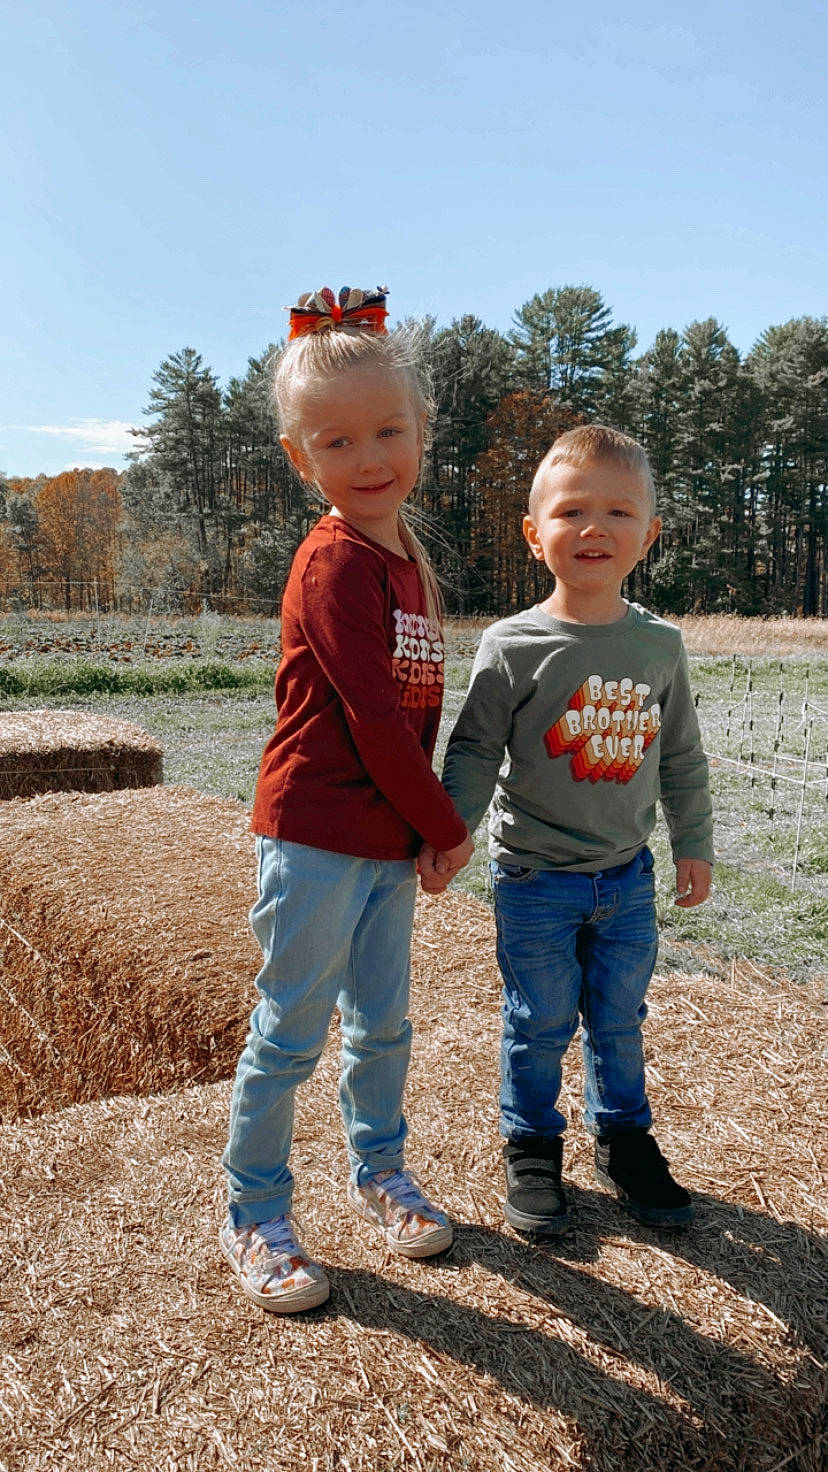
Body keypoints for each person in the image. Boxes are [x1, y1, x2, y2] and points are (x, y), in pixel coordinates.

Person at [221, 285, 473, 1313]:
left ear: (420, 430)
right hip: (318, 835)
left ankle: (379, 1167)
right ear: (300, 458)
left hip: (382, 842)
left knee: (384, 1024)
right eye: (338, 441)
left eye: (389, 431)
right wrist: (447, 824)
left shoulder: (411, 559)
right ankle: (254, 1207)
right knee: (291, 1028)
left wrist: (416, 828)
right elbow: (374, 719)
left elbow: (419, 714)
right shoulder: (334, 561)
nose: (370, 458)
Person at [422, 425, 713, 1236]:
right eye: (573, 510)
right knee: (538, 1021)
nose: (595, 528)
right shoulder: (512, 645)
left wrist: (694, 843)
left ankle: (623, 1138)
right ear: (534, 531)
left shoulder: (660, 645)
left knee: (619, 1019)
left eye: (620, 511)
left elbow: (682, 755)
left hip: (627, 878)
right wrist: (454, 831)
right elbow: (476, 748)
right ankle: (532, 1144)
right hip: (535, 882)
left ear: (648, 535)